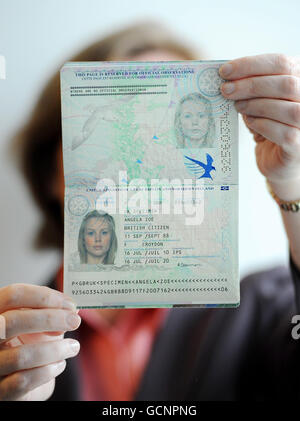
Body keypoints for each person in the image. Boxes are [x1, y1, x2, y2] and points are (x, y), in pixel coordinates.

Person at [1, 21, 300, 401]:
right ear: (53, 172)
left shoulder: (265, 309)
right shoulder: (13, 339)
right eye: (116, 136)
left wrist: (291, 185)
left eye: (170, 131)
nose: (146, 164)